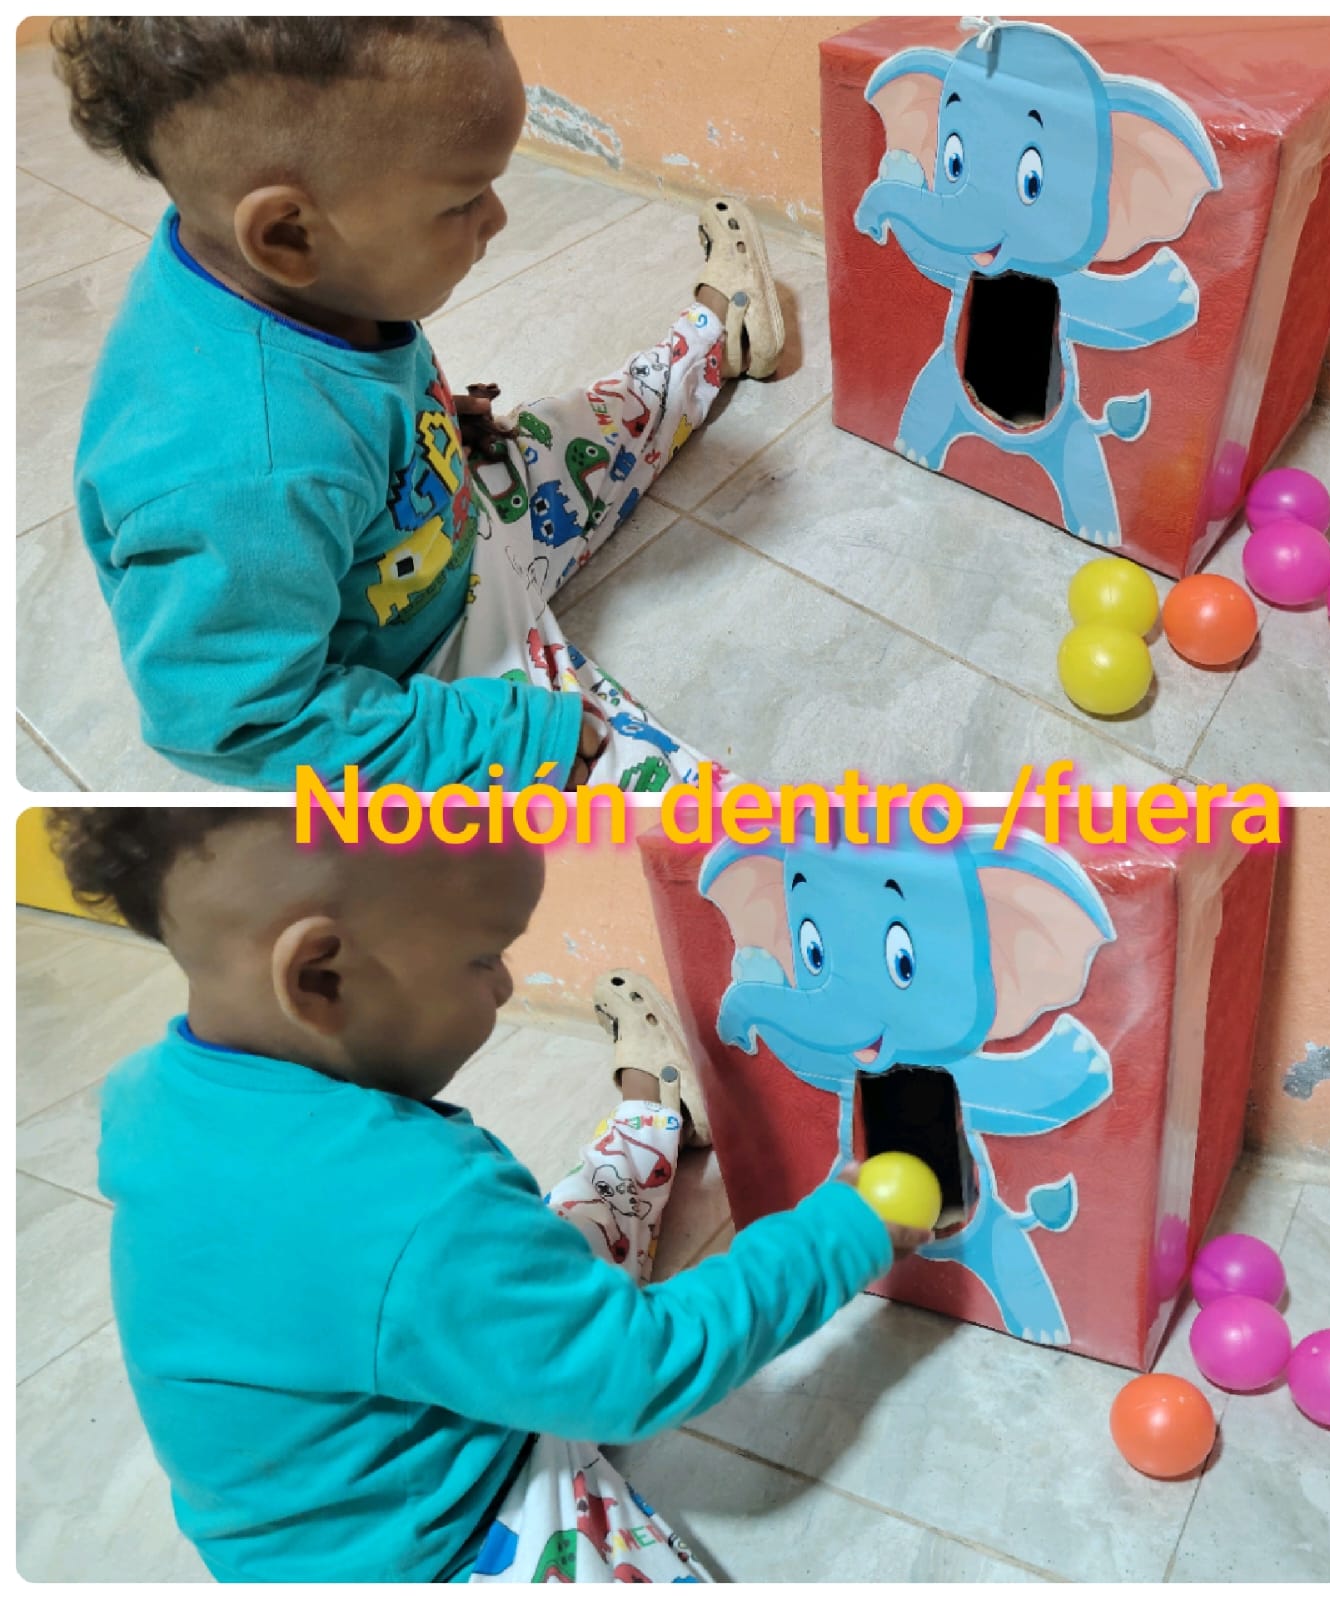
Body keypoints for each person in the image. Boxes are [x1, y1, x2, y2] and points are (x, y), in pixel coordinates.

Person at [51, 808, 926, 1582]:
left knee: (542, 1253)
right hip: (422, 1555)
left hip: (320, 1502)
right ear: (320, 976)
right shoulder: (416, 1210)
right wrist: (852, 1227)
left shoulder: (148, 1093)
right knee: (554, 1294)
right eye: (485, 957)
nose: (505, 985)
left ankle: (650, 1113)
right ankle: (646, 1117)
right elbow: (640, 1368)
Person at [57, 17, 785, 791]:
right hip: (422, 687)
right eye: (465, 199)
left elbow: (340, 401)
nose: (497, 218)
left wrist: (422, 432)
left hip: (448, 518)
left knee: (608, 414)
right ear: (287, 236)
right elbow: (245, 726)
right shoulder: (232, 475)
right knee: (693, 820)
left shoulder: (278, 269)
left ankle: (715, 339)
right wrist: (498, 740)